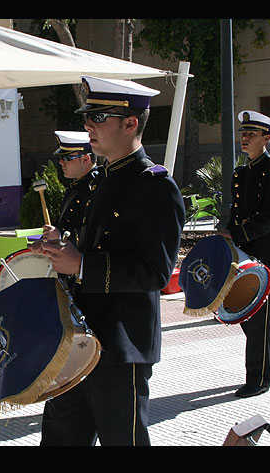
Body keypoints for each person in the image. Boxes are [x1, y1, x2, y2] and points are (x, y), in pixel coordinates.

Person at [35, 76, 185, 446]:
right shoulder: (99, 180)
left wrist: (82, 265)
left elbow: (155, 271)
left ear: (130, 123)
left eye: (98, 117)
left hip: (120, 345)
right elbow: (93, 243)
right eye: (89, 117)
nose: (88, 125)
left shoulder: (155, 186)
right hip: (77, 338)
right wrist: (61, 245)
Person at [217, 110, 270, 398]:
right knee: (245, 315)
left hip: (265, 254)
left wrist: (236, 234)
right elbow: (237, 213)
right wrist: (227, 234)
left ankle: (259, 379)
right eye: (243, 134)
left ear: (267, 139)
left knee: (259, 319)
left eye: (251, 135)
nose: (245, 138)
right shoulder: (241, 173)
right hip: (243, 253)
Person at [39, 131, 99, 247]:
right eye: (61, 157)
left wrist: (60, 236)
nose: (61, 162)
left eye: (66, 158)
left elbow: (93, 233)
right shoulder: (76, 186)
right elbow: (63, 222)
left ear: (86, 159)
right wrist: (43, 242)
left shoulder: (96, 188)